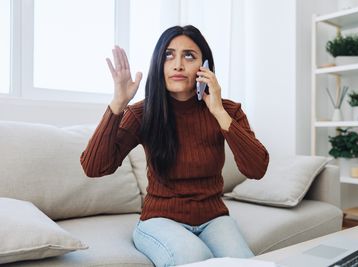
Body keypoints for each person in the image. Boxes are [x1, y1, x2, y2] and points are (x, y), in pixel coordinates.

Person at [80, 25, 269, 267]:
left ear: (205, 67)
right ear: (158, 64)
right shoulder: (142, 113)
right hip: (159, 220)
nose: (178, 64)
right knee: (197, 259)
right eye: (169, 55)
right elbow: (94, 167)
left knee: (246, 264)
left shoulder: (228, 111)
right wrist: (118, 103)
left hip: (214, 219)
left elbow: (257, 169)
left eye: (189, 55)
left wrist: (218, 111)